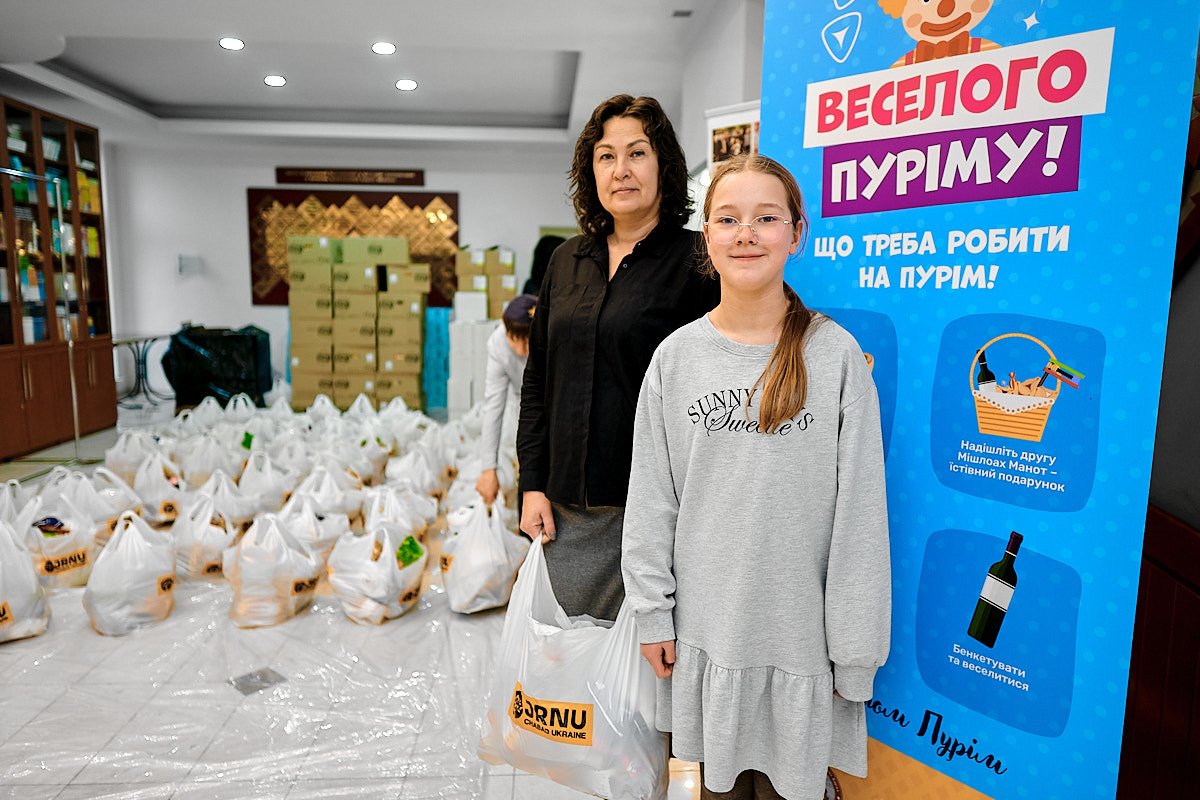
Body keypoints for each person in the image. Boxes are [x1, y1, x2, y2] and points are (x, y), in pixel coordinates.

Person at [621, 154, 891, 800]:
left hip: (802, 655)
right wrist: (653, 616)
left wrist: (853, 655)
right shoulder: (675, 359)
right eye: (728, 219)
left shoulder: (836, 356)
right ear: (706, 238)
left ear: (796, 234)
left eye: (766, 218)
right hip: (703, 647)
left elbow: (860, 520)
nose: (746, 234)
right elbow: (652, 502)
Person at [517, 94, 720, 621]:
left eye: (637, 153)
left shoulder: (699, 262)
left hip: (654, 509)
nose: (621, 170)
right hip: (564, 509)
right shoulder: (566, 260)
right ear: (591, 172)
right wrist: (532, 484)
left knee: (645, 658)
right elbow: (538, 380)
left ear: (664, 165)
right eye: (606, 156)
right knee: (564, 656)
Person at [475, 294, 537, 505]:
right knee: (527, 469)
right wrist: (488, 468)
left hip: (556, 405)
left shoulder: (553, 335)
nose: (521, 350)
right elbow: (493, 406)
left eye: (527, 341)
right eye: (514, 340)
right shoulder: (497, 344)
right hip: (525, 407)